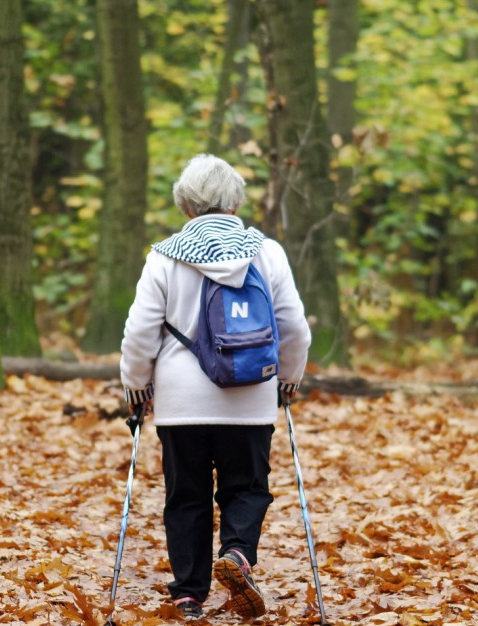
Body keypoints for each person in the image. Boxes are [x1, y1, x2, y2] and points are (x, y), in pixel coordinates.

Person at [120, 154, 312, 620]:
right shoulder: (267, 252)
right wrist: (287, 379)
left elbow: (140, 332)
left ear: (186, 205)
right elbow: (295, 328)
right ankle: (238, 555)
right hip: (250, 396)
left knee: (185, 496)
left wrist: (136, 386)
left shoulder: (165, 256)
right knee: (246, 488)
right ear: (235, 201)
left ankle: (188, 594)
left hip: (182, 404)